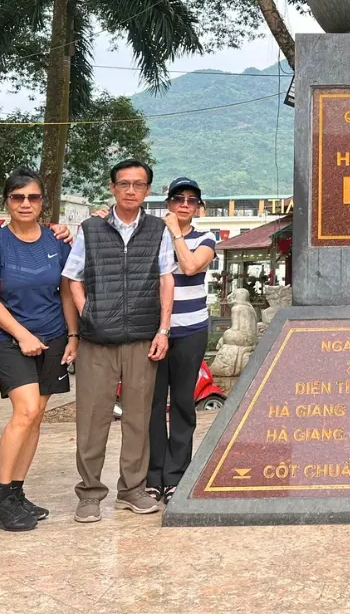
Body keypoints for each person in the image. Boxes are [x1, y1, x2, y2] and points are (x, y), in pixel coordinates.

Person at [62, 158, 176, 522]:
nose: (130, 190)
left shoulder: (158, 229)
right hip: (97, 341)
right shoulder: (91, 228)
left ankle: (132, 490)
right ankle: (89, 492)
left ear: (147, 190)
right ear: (112, 188)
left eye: (138, 184)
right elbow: (73, 277)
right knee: (92, 418)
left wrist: (163, 329)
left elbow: (166, 279)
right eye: (124, 184)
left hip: (142, 337)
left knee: (138, 418)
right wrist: (89, 314)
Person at [0, 168, 74, 531]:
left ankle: (16, 492)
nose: (26, 203)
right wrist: (23, 335)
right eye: (18, 197)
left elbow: (66, 293)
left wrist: (73, 335)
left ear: (43, 202)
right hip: (10, 338)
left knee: (37, 415)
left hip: (54, 336)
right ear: (7, 202)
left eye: (33, 197)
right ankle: (0, 497)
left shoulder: (56, 243)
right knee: (26, 409)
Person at [147, 176, 217, 501]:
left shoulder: (205, 237)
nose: (184, 204)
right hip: (154, 331)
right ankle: (153, 474)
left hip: (190, 329)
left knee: (183, 402)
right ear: (168, 203)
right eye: (178, 199)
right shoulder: (151, 237)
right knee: (152, 403)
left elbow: (189, 267)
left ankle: (176, 475)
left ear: (198, 207)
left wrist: (175, 231)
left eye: (191, 200)